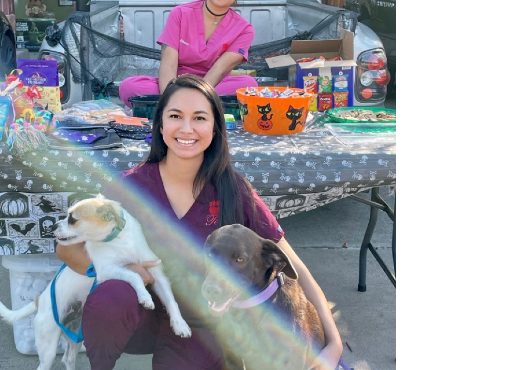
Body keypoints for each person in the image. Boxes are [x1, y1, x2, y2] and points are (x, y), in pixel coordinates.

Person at [57, 75, 344, 370]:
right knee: (111, 296)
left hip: (203, 325)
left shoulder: (234, 190)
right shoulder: (131, 187)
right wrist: (117, 269)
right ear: (159, 124)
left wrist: (333, 345)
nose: (186, 128)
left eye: (199, 118)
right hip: (143, 314)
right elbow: (67, 249)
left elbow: (295, 268)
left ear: (215, 128)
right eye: (175, 116)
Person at [118, 0, 259, 108]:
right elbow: (168, 64)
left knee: (248, 85)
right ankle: (202, 109)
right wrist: (170, 99)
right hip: (175, 84)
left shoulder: (244, 30)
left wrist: (193, 97)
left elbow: (219, 70)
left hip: (213, 86)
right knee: (128, 87)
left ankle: (185, 107)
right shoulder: (180, 14)